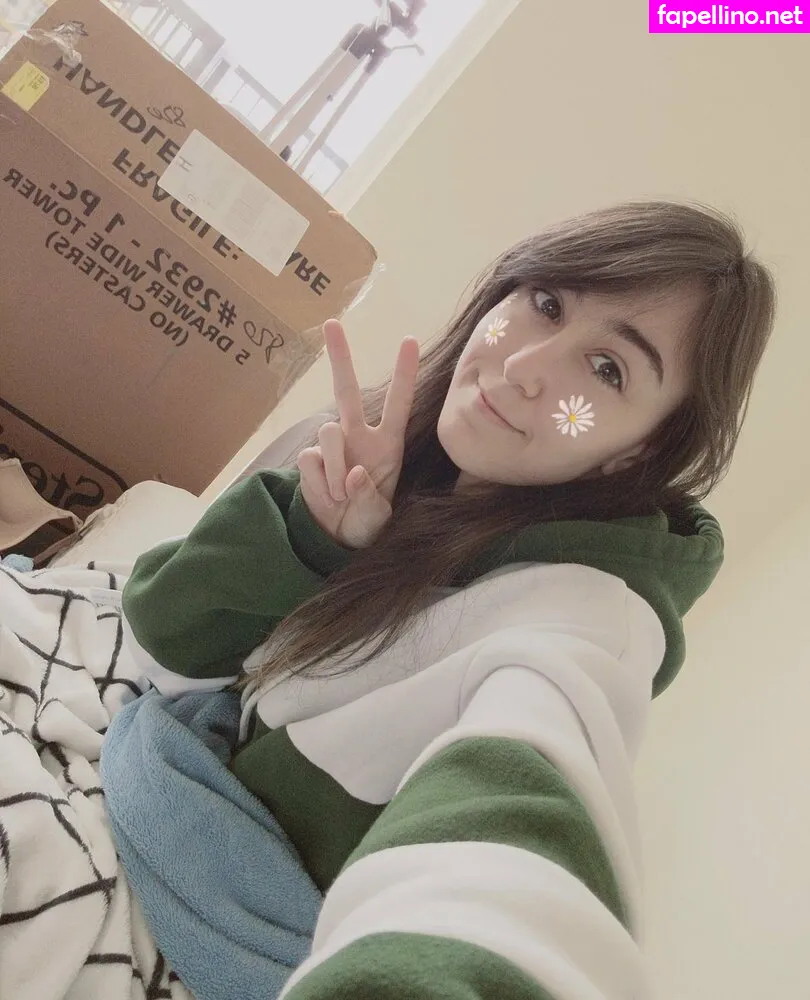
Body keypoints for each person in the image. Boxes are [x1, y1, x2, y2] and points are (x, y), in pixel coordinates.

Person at [119, 200, 776, 999]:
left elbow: (514, 838)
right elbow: (158, 648)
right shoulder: (386, 461)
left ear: (635, 453)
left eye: (608, 369)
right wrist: (312, 538)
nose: (527, 363)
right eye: (547, 303)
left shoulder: (589, 620)